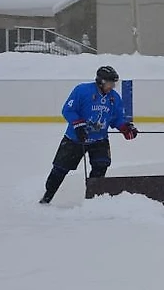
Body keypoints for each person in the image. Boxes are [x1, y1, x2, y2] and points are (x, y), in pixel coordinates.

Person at [39, 66, 139, 204]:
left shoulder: (114, 98)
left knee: (101, 166)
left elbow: (117, 118)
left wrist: (125, 127)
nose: (112, 86)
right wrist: (78, 124)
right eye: (110, 83)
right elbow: (68, 110)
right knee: (60, 169)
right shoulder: (82, 90)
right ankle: (47, 196)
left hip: (99, 140)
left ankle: (93, 200)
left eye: (113, 83)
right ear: (101, 81)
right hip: (75, 139)